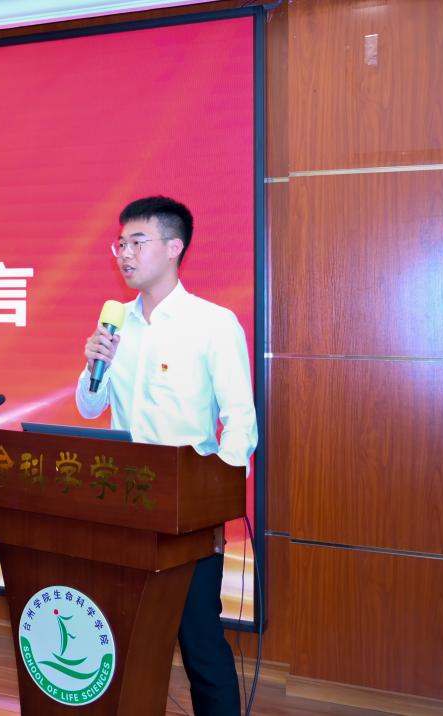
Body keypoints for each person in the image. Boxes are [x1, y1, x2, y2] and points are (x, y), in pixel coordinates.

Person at [75, 195, 257, 716]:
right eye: (120, 244)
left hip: (187, 512)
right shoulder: (117, 326)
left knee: (200, 644)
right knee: (125, 638)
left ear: (174, 247)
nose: (125, 254)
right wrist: (94, 365)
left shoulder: (212, 323)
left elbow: (240, 422)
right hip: (123, 505)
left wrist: (214, 494)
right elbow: (89, 408)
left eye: (137, 242)